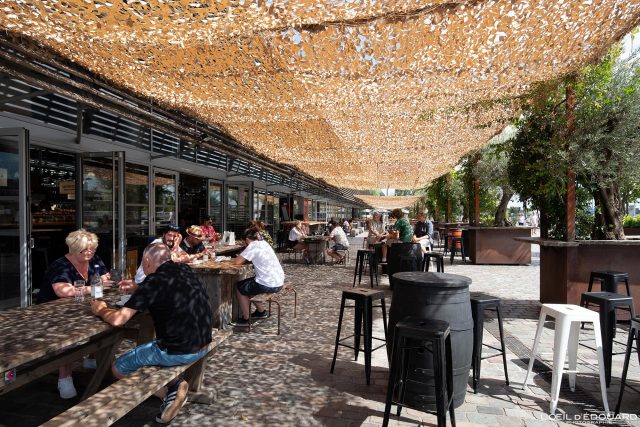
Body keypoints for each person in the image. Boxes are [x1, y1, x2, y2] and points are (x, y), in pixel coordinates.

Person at [90, 243, 213, 424]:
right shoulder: (184, 269)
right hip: (203, 342)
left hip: (178, 351)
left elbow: (118, 320)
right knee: (152, 345)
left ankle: (169, 392)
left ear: (147, 261)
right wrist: (137, 287)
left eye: (142, 262)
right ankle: (173, 388)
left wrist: (100, 309)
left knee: (118, 367)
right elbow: (165, 287)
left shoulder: (153, 282)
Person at [37, 229, 109, 399]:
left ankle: (92, 358)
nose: (90, 252)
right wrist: (93, 287)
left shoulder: (94, 260)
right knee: (66, 337)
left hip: (79, 307)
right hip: (51, 312)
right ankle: (64, 378)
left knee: (104, 320)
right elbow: (63, 291)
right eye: (85, 249)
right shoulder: (60, 265)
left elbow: (106, 277)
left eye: (92, 249)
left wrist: (100, 281)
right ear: (74, 248)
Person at [231, 228, 285, 325]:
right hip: (278, 281)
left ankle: (246, 318)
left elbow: (237, 262)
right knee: (249, 285)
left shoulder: (252, 246)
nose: (244, 245)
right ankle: (261, 311)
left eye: (243, 242)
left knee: (239, 287)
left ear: (247, 240)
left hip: (268, 284)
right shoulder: (264, 243)